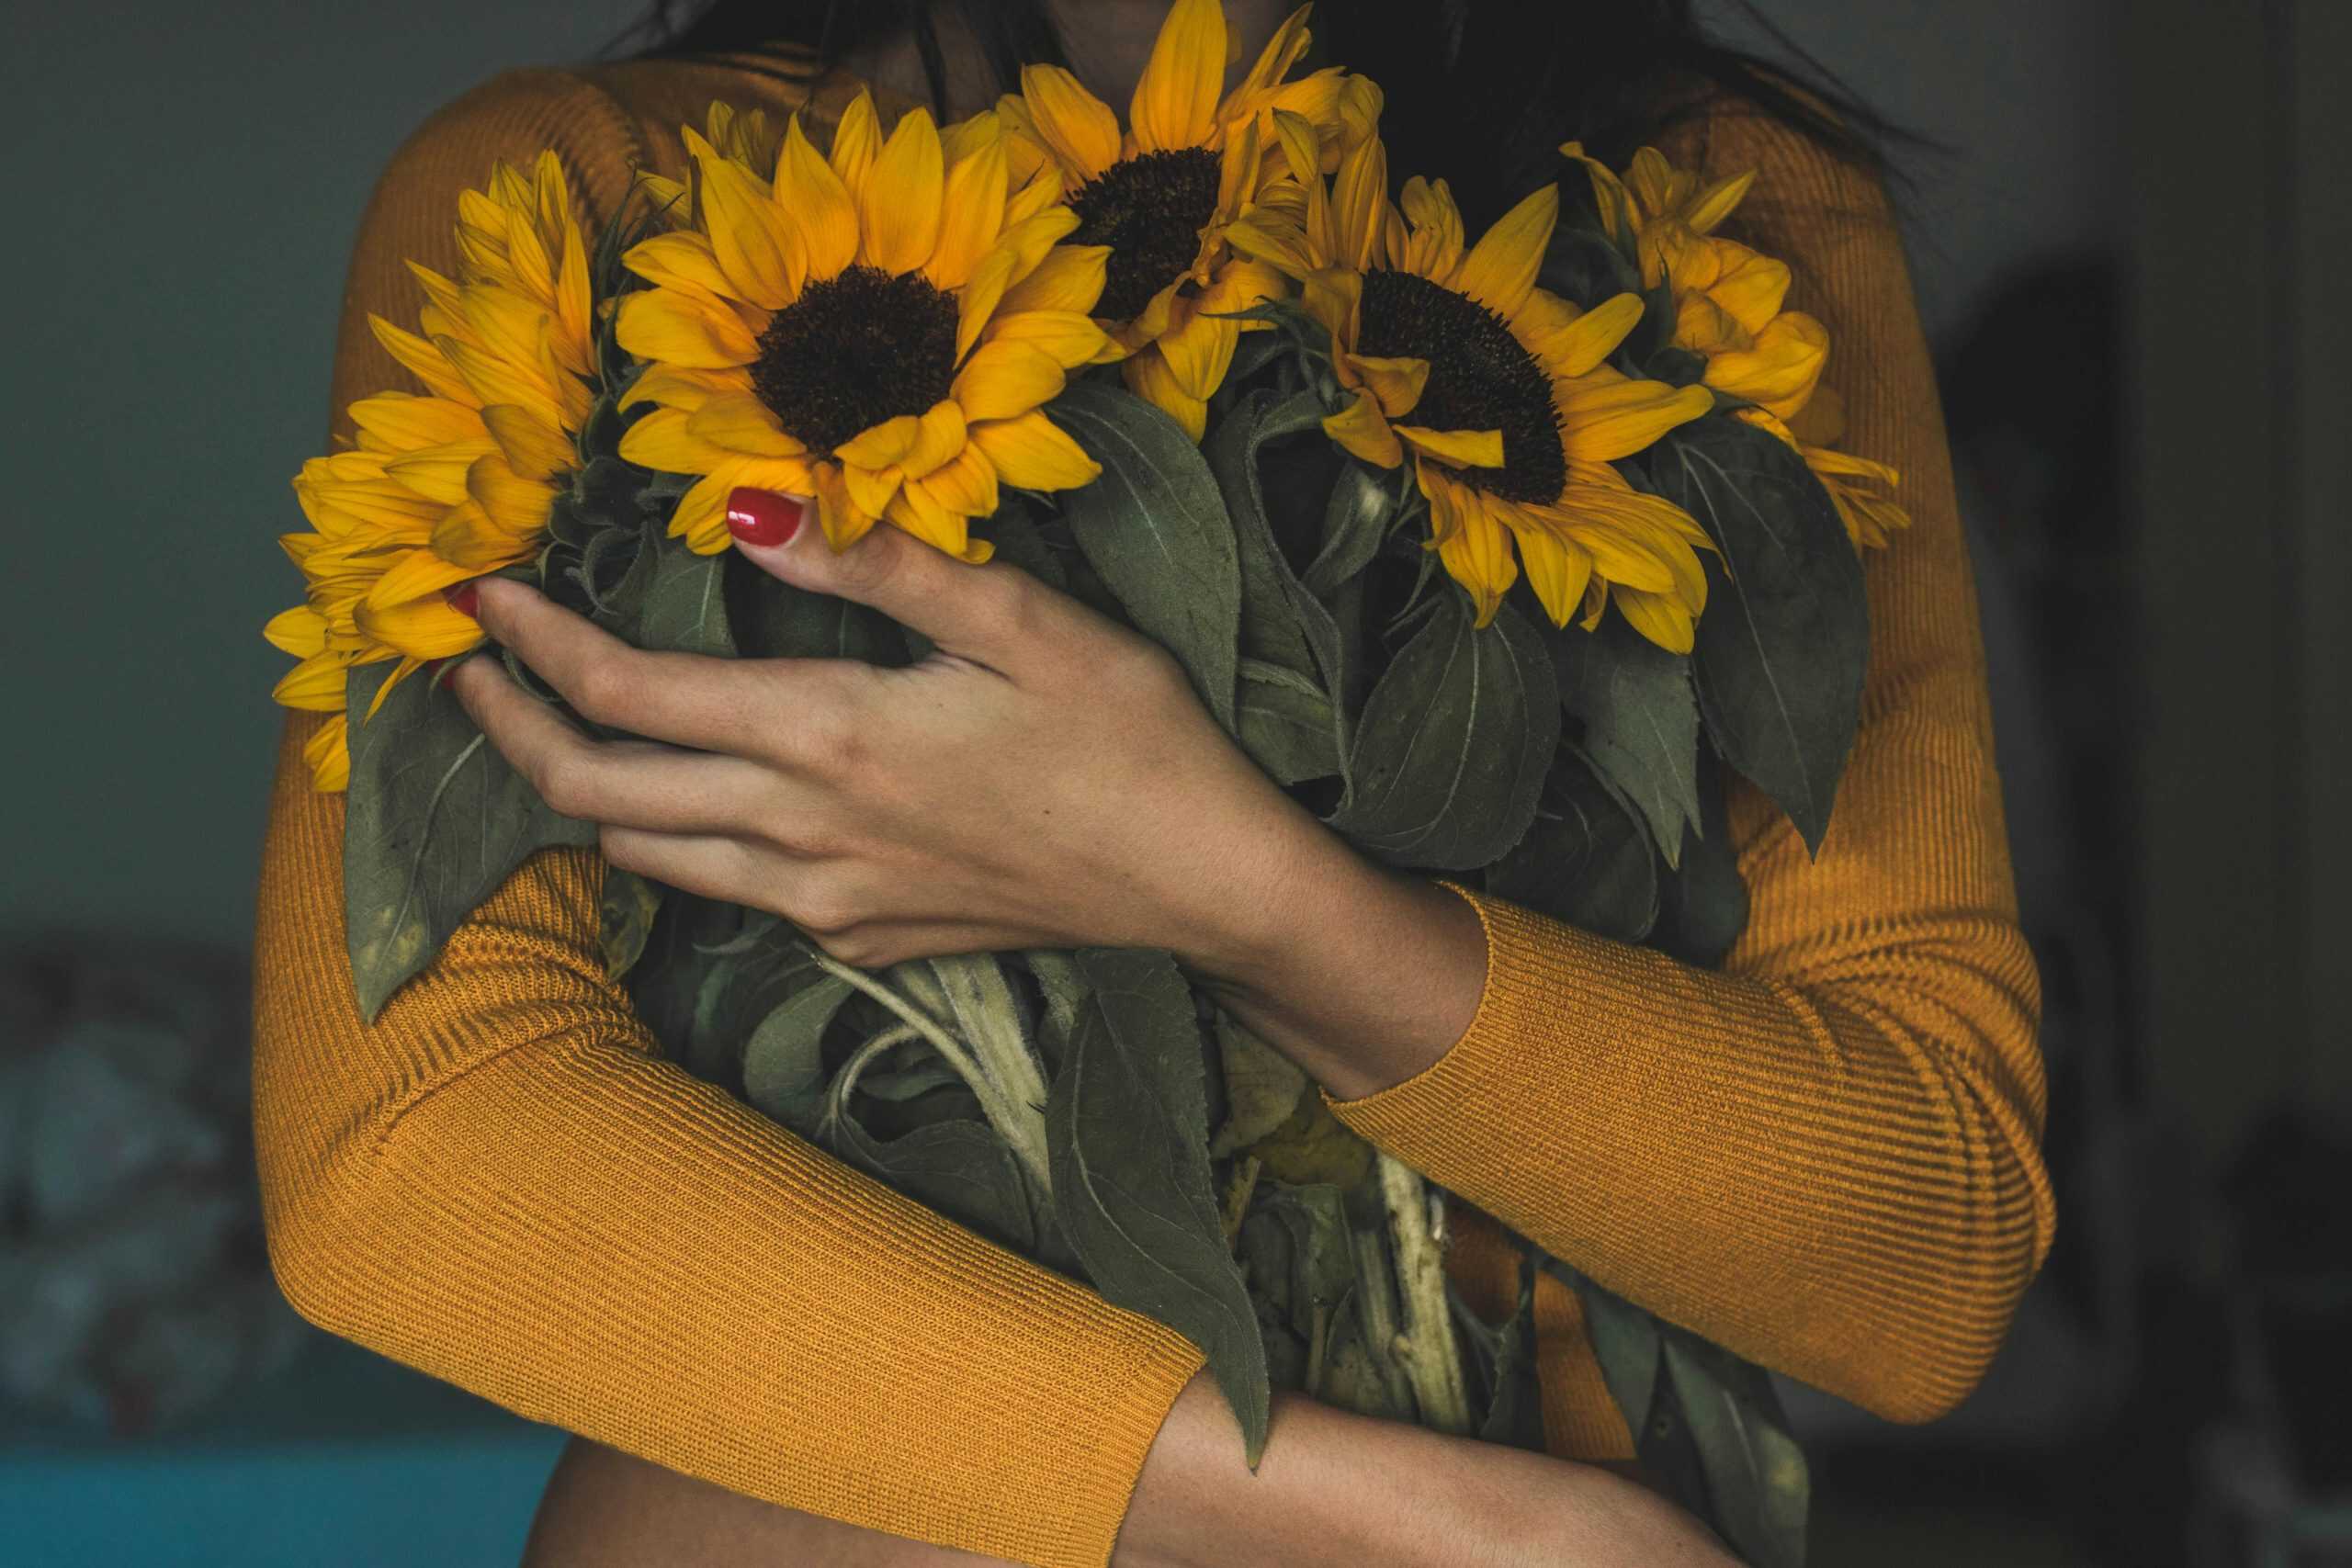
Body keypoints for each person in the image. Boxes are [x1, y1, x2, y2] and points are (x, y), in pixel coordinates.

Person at [249, 2, 2056, 1562]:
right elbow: (410, 1148)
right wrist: (1442, 1524)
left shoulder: (1706, 216)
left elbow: (1922, 1247)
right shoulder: (572, 199)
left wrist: (1233, 889)